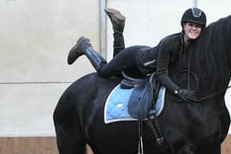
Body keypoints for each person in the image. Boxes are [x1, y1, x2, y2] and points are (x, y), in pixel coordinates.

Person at [67, 7, 207, 102]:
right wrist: (177, 91)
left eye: (198, 26)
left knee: (117, 67)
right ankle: (85, 46)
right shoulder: (169, 43)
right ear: (183, 25)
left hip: (147, 56)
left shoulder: (195, 45)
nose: (194, 28)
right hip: (134, 59)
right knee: (105, 72)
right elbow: (160, 74)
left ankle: (118, 28)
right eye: (191, 25)